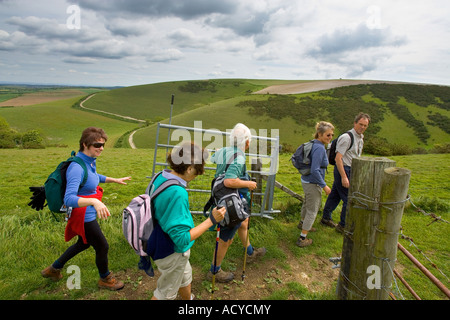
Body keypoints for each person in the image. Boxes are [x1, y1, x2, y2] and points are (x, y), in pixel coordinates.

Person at [41, 127, 131, 290]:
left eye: (103, 144)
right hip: (83, 216)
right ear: (85, 144)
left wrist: (114, 180)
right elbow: (69, 198)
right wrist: (94, 202)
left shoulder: (88, 161)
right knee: (102, 246)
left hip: (85, 213)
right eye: (97, 145)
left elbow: (93, 177)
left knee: (83, 243)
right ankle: (105, 279)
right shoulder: (76, 167)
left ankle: (53, 269)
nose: (101, 148)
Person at [150, 142, 226, 300]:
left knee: (185, 276)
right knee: (165, 294)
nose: (197, 175)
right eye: (197, 171)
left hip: (157, 238)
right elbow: (182, 238)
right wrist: (211, 220)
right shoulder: (178, 193)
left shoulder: (161, 176)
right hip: (172, 250)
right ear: (190, 168)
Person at [206, 123, 266, 283]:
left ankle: (250, 252)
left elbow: (213, 157)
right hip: (232, 203)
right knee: (226, 238)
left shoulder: (225, 151)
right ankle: (215, 270)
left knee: (244, 223)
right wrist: (249, 184)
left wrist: (218, 151)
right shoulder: (239, 157)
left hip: (226, 200)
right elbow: (229, 181)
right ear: (246, 142)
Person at [320, 113, 370, 233]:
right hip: (343, 169)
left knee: (335, 195)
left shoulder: (360, 137)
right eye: (360, 124)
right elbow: (338, 158)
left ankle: (326, 218)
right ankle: (343, 226)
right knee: (348, 199)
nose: (362, 127)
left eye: (365, 125)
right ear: (355, 123)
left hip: (350, 169)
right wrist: (344, 177)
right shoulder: (347, 138)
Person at [296, 121, 334, 247]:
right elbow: (315, 170)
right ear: (319, 134)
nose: (330, 138)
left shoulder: (314, 144)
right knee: (313, 210)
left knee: (307, 203)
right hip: (312, 182)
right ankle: (302, 238)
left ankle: (302, 223)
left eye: (332, 135)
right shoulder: (319, 148)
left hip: (306, 180)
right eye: (328, 135)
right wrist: (324, 186)